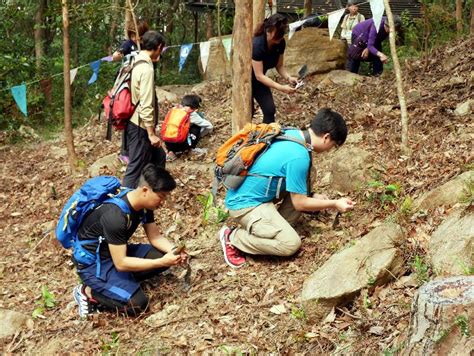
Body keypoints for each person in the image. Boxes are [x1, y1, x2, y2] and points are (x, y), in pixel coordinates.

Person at [218, 108, 355, 268]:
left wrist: (311, 195)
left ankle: (274, 227)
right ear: (326, 137)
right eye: (333, 145)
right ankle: (233, 238)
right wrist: (334, 203)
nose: (329, 150)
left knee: (309, 174)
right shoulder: (299, 155)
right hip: (245, 205)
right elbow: (300, 204)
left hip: (258, 195)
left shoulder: (293, 134)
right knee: (290, 244)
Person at [72, 164, 188, 318]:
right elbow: (121, 263)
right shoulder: (115, 215)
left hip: (115, 252)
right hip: (95, 265)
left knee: (161, 254)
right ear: (145, 190)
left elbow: (155, 237)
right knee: (138, 305)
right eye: (161, 197)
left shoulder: (144, 206)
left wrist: (174, 251)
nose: (163, 202)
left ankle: (121, 284)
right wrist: (162, 262)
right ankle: (87, 292)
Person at [122, 30, 166, 189]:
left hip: (132, 121)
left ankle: (153, 192)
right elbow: (146, 104)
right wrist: (151, 134)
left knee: (159, 156)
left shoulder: (135, 60)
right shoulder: (146, 69)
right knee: (134, 168)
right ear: (159, 46)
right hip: (140, 125)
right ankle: (123, 205)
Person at [112, 20, 150, 165]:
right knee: (128, 117)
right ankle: (125, 151)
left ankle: (142, 147)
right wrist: (118, 55)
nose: (135, 39)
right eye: (133, 35)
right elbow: (117, 54)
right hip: (129, 83)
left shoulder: (147, 43)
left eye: (138, 35)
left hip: (143, 83)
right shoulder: (128, 44)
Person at [252, 13, 298, 124]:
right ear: (269, 31)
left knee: (269, 110)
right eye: (277, 36)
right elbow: (258, 75)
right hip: (247, 81)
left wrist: (288, 77)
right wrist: (280, 87)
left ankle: (266, 137)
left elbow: (279, 65)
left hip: (259, 81)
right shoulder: (257, 45)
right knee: (247, 113)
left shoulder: (280, 43)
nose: (279, 39)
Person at [164, 94, 213, 161]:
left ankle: (171, 152)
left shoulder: (174, 110)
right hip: (182, 144)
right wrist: (200, 135)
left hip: (168, 142)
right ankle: (190, 149)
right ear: (195, 108)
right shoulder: (191, 114)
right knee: (196, 125)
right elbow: (209, 126)